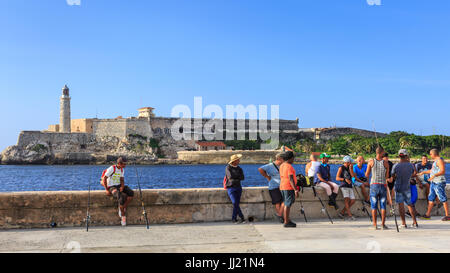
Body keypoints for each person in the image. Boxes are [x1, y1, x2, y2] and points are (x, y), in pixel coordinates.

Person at [102, 157, 134, 226]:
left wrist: (122, 186)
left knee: (131, 193)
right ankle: (123, 216)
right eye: (124, 164)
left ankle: (122, 207)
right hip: (111, 186)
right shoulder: (112, 168)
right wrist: (107, 190)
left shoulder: (122, 170)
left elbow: (122, 179)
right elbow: (104, 178)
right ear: (119, 163)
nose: (125, 166)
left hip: (118, 185)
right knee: (121, 197)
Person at [391, 149, 418, 229]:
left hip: (398, 187)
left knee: (401, 205)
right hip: (407, 187)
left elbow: (393, 176)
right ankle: (415, 222)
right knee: (410, 205)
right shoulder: (410, 165)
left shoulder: (396, 165)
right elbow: (414, 173)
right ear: (406, 156)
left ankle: (403, 223)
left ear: (399, 156)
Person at [420, 149, 450, 221]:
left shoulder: (439, 160)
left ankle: (448, 215)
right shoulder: (435, 162)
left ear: (434, 154)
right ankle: (427, 215)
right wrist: (423, 172)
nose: (430, 156)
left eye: (430, 154)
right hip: (433, 182)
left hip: (438, 182)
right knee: (431, 198)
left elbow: (442, 171)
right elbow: (432, 171)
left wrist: (434, 176)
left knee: (442, 198)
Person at [366, 146, 390, 230]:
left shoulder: (371, 161)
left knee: (374, 206)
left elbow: (367, 174)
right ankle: (383, 224)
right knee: (383, 205)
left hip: (374, 185)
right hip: (383, 185)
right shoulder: (386, 163)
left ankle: (375, 224)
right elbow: (387, 176)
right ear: (382, 152)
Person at [258, 153, 285, 223]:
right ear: (279, 159)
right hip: (274, 186)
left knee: (284, 201)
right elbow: (260, 169)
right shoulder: (270, 165)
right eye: (283, 159)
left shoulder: (282, 165)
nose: (284, 161)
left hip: (282, 186)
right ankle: (281, 217)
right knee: (277, 202)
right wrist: (267, 177)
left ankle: (280, 215)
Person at [279, 151, 299, 228]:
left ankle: (287, 219)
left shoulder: (282, 165)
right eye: (293, 158)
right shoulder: (289, 166)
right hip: (288, 187)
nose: (293, 160)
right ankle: (286, 221)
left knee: (286, 202)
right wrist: (295, 190)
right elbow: (291, 178)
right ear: (290, 158)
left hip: (282, 186)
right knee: (288, 204)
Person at [225, 154, 246, 224]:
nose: (239, 161)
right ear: (234, 161)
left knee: (236, 203)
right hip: (231, 188)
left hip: (238, 187)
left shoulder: (239, 168)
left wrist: (236, 178)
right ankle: (241, 217)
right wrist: (237, 177)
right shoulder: (228, 168)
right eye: (238, 160)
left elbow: (242, 177)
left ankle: (234, 219)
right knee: (235, 203)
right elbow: (230, 177)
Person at [336, 156, 357, 220]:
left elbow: (353, 177)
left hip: (350, 186)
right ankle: (350, 215)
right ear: (347, 162)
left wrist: (351, 169)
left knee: (353, 200)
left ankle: (342, 212)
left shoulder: (350, 168)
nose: (351, 164)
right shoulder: (341, 168)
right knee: (347, 200)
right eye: (350, 162)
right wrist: (345, 180)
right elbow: (337, 178)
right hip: (344, 185)